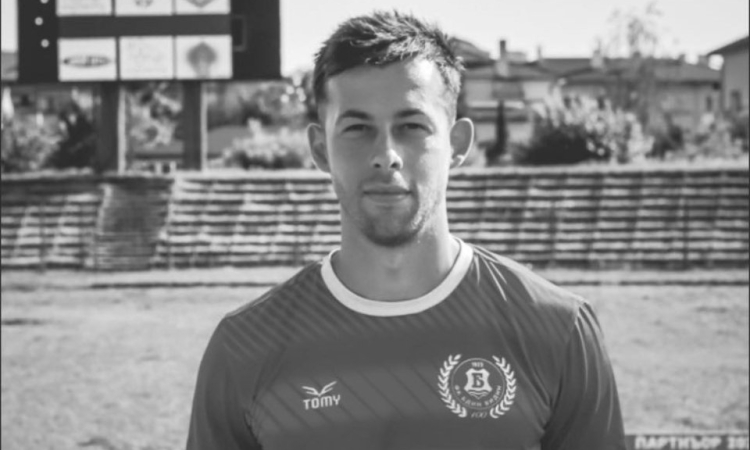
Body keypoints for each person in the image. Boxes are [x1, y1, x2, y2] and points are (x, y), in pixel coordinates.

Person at [186, 10, 626, 450]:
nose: (386, 154)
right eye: (358, 128)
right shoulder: (244, 349)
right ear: (320, 149)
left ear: (456, 144)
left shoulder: (558, 330)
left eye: (412, 126)